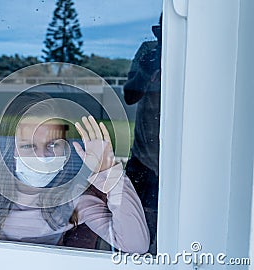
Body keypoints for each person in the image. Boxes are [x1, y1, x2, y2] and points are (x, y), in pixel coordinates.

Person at [0, 35, 150, 253]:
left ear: (67, 149)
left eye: (53, 144)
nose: (41, 156)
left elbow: (135, 246)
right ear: (12, 149)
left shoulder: (74, 196)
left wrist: (112, 176)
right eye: (28, 146)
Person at [123, 14, 162, 254]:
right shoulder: (148, 51)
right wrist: (146, 72)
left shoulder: (199, 52)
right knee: (136, 230)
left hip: (183, 163)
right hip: (144, 159)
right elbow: (130, 96)